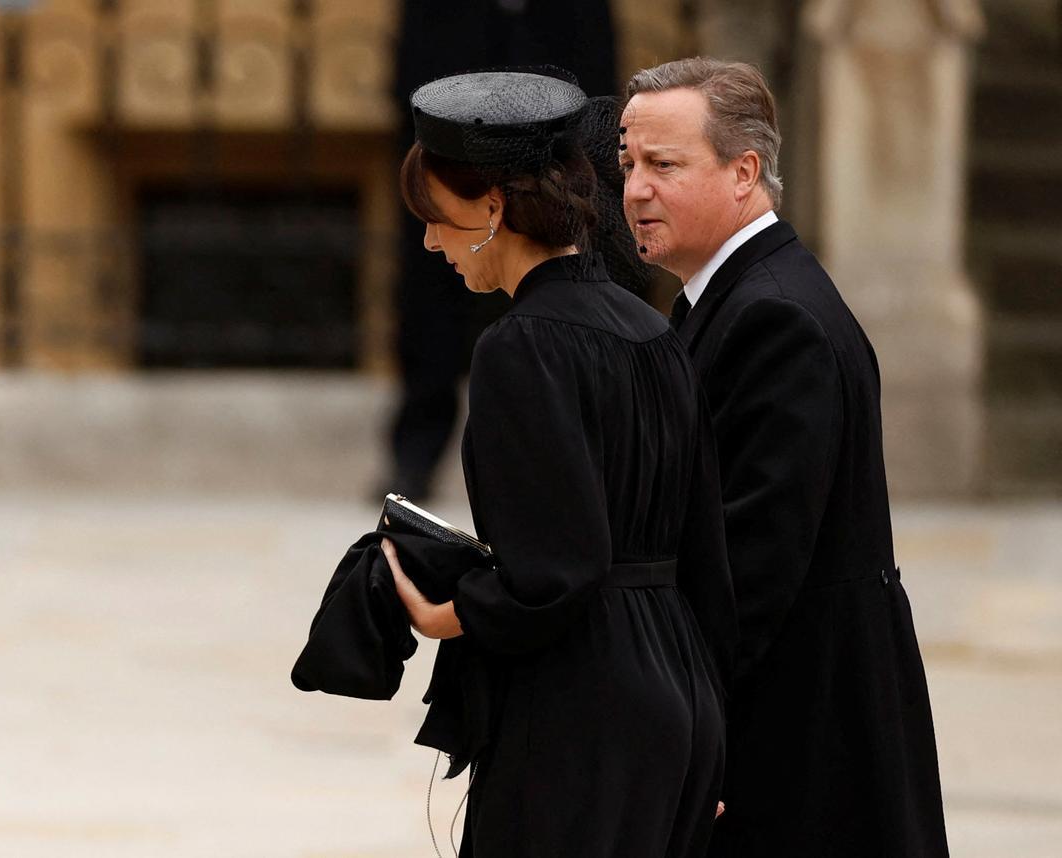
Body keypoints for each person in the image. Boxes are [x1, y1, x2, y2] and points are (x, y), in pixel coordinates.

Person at [381, 68, 738, 857]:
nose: (431, 241)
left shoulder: (520, 347)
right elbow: (707, 554)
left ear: (493, 208)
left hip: (584, 707)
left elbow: (557, 569)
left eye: (436, 217)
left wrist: (450, 610)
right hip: (681, 700)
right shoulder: (653, 329)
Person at [619, 57, 949, 857]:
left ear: (745, 173)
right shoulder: (733, 298)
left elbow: (746, 573)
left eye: (663, 165)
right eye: (626, 163)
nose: (632, 190)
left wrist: (682, 734)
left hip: (798, 750)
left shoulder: (777, 320)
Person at [383, 0, 619, 500]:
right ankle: (417, 448)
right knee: (434, 263)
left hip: (561, 51)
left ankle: (589, 436)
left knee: (571, 248)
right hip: (452, 54)